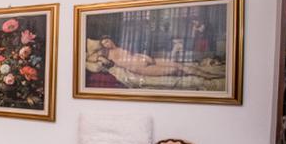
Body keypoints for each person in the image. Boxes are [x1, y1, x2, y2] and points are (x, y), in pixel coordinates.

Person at [95, 36, 224, 79]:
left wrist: (146, 57)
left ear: (110, 39)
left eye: (107, 40)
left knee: (178, 64)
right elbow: (98, 60)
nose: (107, 43)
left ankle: (208, 74)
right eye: (104, 43)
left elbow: (134, 54)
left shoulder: (121, 46)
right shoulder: (108, 55)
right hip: (142, 69)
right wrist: (101, 59)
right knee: (174, 70)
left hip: (147, 60)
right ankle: (206, 75)